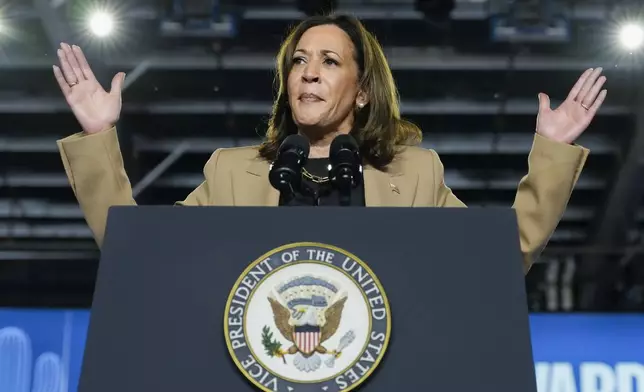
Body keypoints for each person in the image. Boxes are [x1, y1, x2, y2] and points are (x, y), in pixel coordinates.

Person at [53, 14, 607, 273]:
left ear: (363, 91)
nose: (309, 73)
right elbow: (141, 259)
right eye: (298, 61)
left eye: (329, 61)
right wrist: (99, 136)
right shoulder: (230, 172)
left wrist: (552, 151)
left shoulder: (416, 175)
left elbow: (500, 260)